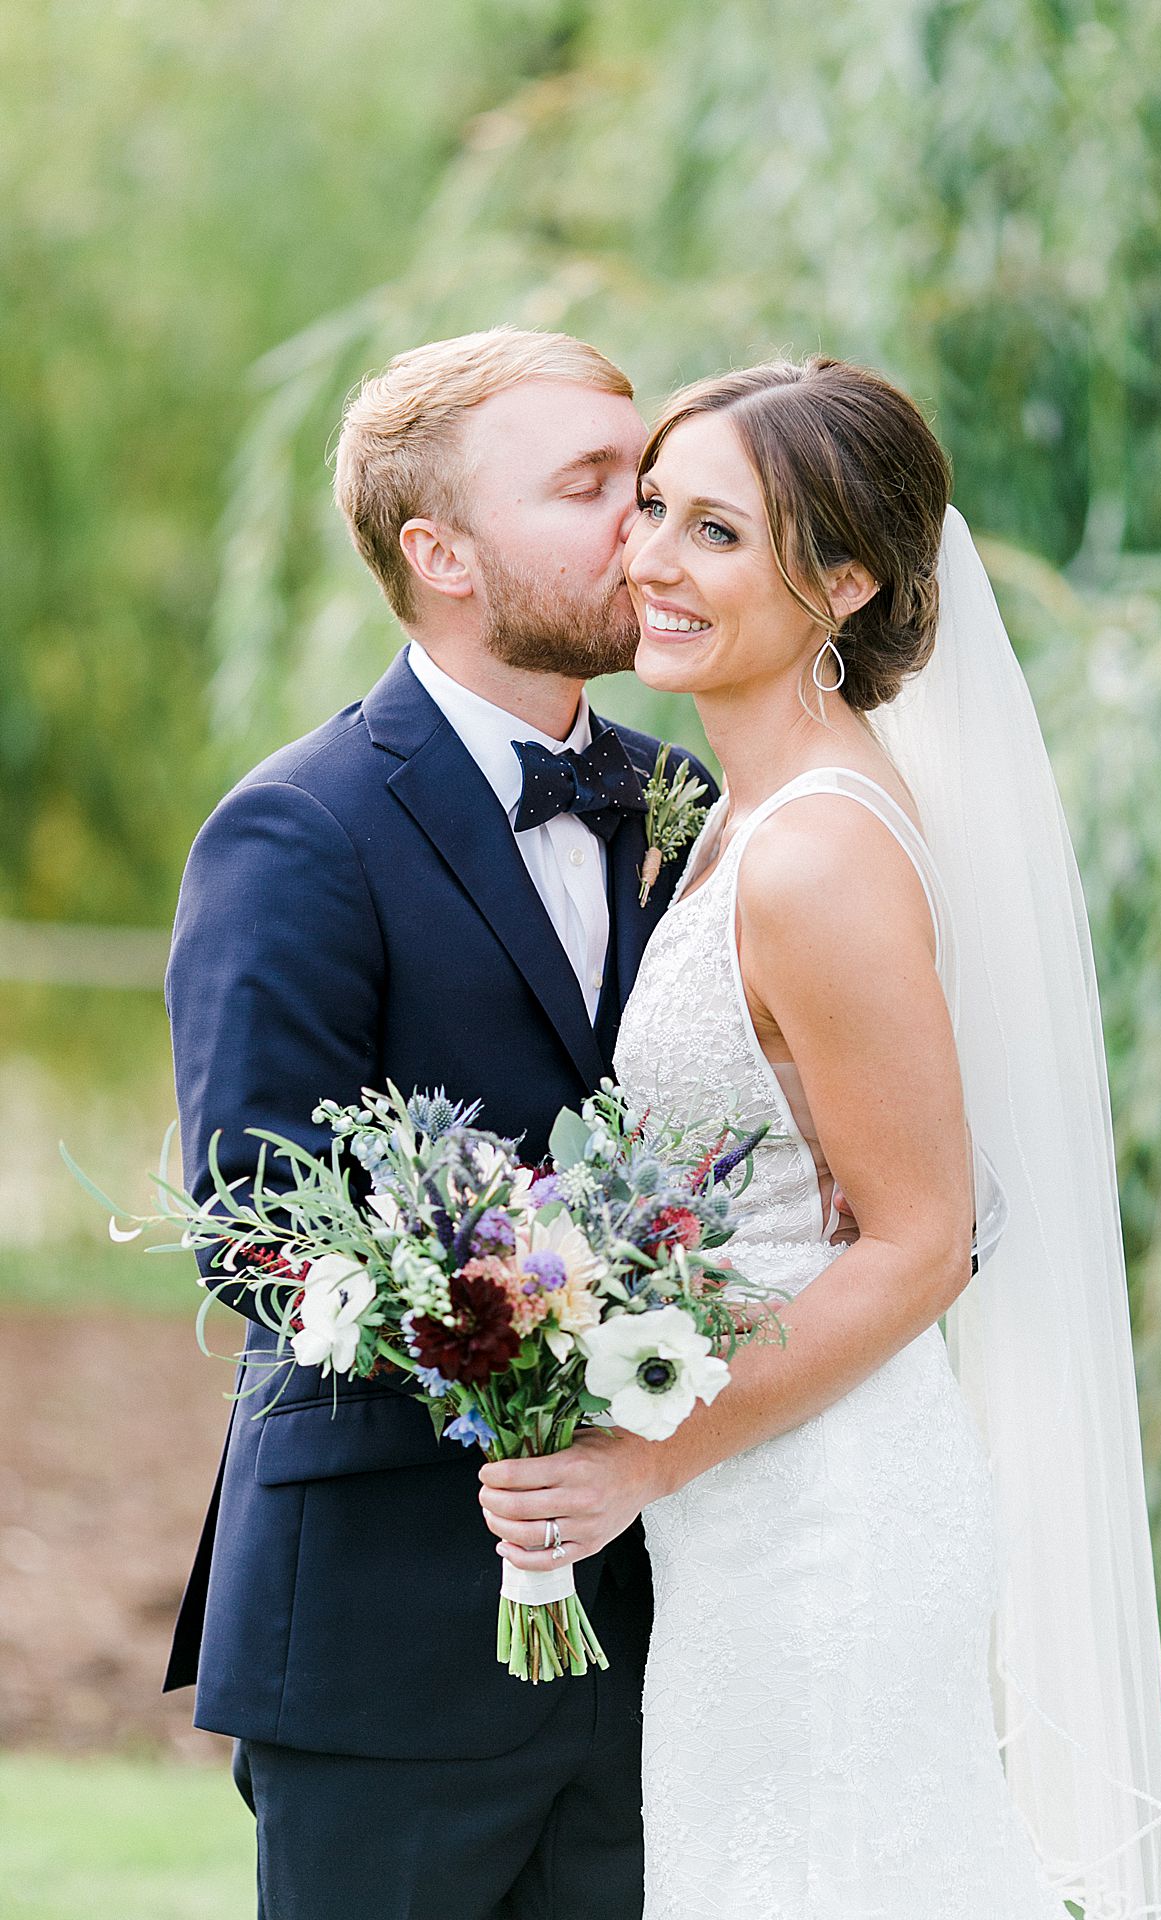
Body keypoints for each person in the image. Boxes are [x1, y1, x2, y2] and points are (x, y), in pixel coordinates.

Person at [479, 359, 1161, 1917]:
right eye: (651, 506)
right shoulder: (737, 817)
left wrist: (636, 1460)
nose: (650, 556)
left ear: (845, 582)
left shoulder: (818, 859)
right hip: (749, 1517)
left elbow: (925, 1239)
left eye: (716, 532)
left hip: (830, 1517)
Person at [163, 326, 715, 1920]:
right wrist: (530, 1343)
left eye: (658, 480)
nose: (648, 521)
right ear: (442, 551)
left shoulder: (690, 805)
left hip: (670, 1620)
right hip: (385, 1634)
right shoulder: (298, 826)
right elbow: (256, 1216)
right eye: (595, 483)